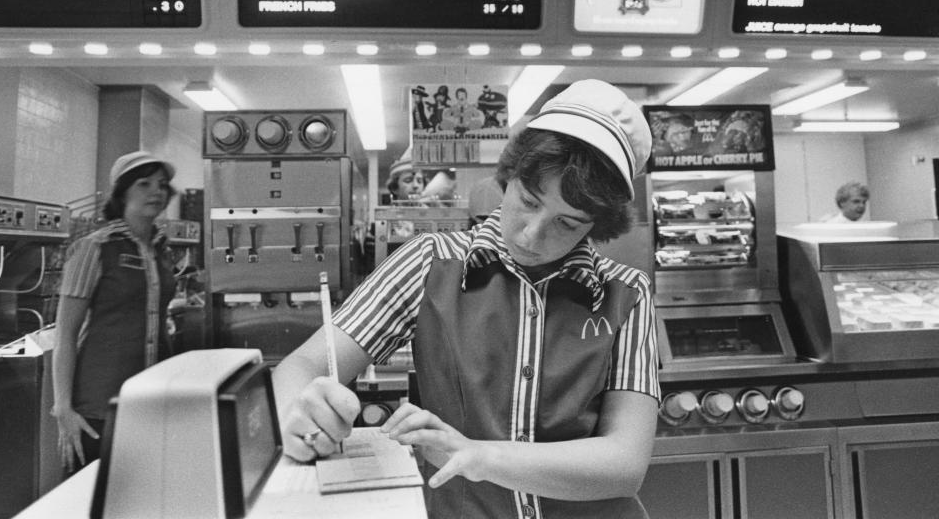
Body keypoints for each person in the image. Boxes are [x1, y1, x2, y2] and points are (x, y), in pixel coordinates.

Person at [273, 79, 659, 519]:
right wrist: (296, 414)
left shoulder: (625, 292)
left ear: (597, 224)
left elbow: (624, 465)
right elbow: (302, 366)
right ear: (508, 176)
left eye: (567, 224)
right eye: (528, 201)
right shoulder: (430, 262)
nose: (532, 235)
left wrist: (475, 455)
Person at [52, 151, 178, 475]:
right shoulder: (95, 247)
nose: (156, 191)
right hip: (98, 409)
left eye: (162, 185)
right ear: (122, 192)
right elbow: (65, 333)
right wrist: (63, 408)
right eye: (144, 183)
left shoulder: (162, 249)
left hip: (151, 404)